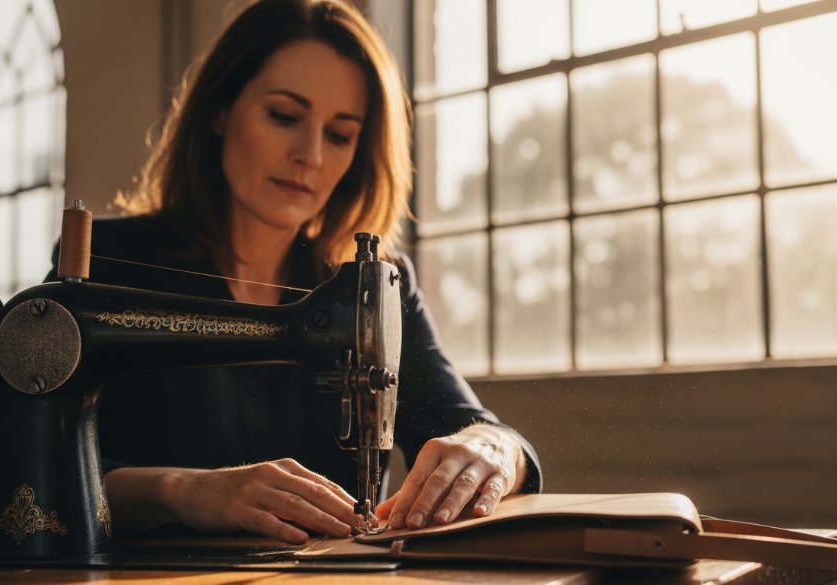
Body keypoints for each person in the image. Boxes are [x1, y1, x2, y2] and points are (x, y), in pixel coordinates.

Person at [51, 0, 542, 545]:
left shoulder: (375, 287)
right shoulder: (106, 260)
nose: (310, 154)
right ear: (219, 109)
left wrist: (492, 449)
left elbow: (473, 425)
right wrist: (185, 491)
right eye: (285, 116)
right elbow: (23, 475)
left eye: (339, 134)